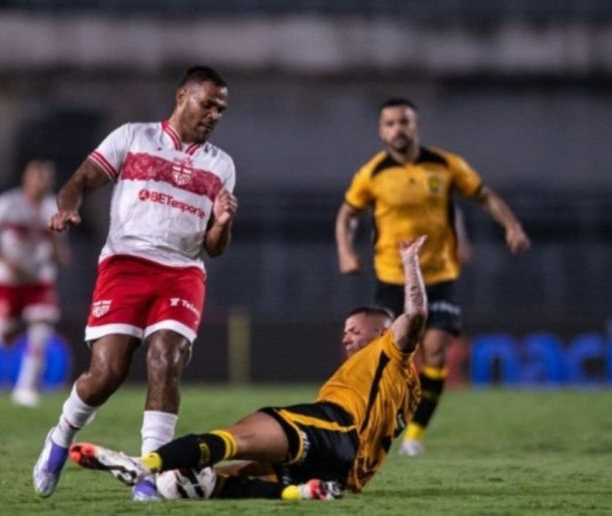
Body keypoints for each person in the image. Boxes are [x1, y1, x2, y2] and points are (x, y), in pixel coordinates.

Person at [68, 236, 429, 500]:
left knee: (238, 436)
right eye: (345, 332)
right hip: (346, 471)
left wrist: (410, 262)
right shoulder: (404, 387)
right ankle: (300, 492)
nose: (347, 337)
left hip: (336, 427)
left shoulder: (390, 350)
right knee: (222, 478)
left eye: (355, 330)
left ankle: (142, 465)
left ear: (382, 331)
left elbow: (414, 317)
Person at [32, 65, 237, 501]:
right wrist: (67, 207)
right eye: (208, 104)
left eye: (221, 109)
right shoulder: (133, 137)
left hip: (182, 272)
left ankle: (149, 474)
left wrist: (221, 223)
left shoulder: (222, 165)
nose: (214, 115)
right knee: (106, 374)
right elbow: (80, 180)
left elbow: (214, 247)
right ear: (182, 97)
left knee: (166, 358)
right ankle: (61, 435)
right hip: (125, 264)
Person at [334, 98, 530, 456]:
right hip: (391, 278)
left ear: (416, 126)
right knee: (384, 358)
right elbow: (347, 213)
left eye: (404, 122)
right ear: (381, 131)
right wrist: (346, 251)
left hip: (438, 275)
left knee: (436, 351)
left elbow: (484, 195)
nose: (398, 129)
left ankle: (415, 435)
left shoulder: (445, 165)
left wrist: (512, 226)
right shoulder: (372, 173)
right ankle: (369, 424)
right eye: (390, 123)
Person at [0, 159, 69, 407]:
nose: (42, 182)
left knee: (42, 329)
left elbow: (58, 246)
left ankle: (25, 387)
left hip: (39, 279)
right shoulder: (8, 203)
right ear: (27, 178)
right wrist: (3, 260)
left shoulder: (54, 208)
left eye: (46, 177)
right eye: (38, 176)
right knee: (5, 337)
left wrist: (60, 253)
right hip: (9, 280)